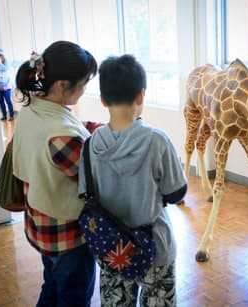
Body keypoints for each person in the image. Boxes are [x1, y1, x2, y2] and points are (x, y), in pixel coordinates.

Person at [79, 54, 187, 306]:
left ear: (104, 99)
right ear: (141, 95)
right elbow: (176, 193)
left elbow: (86, 195)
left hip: (113, 250)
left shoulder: (90, 145)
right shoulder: (157, 141)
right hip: (155, 248)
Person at [12, 41, 101, 307]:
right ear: (62, 85)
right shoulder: (61, 136)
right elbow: (94, 182)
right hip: (68, 236)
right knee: (73, 296)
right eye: (83, 83)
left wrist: (103, 128)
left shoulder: (33, 107)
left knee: (52, 286)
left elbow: (73, 124)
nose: (85, 89)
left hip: (40, 221)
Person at [0, 48, 14, 121]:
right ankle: (4, 115)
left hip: (6, 87)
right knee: (1, 102)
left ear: (0, 55)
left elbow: (5, 69)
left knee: (8, 101)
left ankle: (11, 116)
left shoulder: (5, 62)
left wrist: (0, 62)